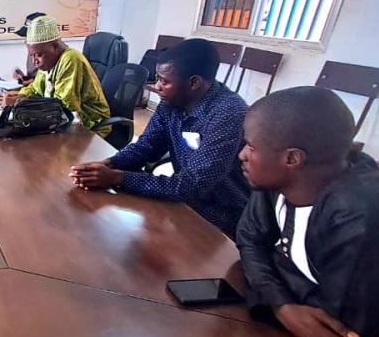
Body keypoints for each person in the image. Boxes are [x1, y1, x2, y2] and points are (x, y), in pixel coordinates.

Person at [236, 86, 379, 337]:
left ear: (292, 159)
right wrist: (282, 306)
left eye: (251, 147)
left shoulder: (367, 215)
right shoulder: (278, 180)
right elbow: (249, 239)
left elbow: (341, 329)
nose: (242, 154)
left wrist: (269, 282)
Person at [69, 38, 249, 238]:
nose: (157, 86)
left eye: (164, 81)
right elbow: (146, 146)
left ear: (194, 83)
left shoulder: (228, 113)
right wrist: (109, 164)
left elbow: (192, 185)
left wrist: (117, 177)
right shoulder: (173, 102)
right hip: (184, 203)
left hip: (221, 216)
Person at [2, 15, 111, 137]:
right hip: (62, 123)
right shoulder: (49, 62)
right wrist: (19, 96)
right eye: (32, 55)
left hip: (90, 125)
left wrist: (21, 103)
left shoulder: (71, 59)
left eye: (38, 55)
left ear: (54, 47)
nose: (34, 61)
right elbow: (35, 89)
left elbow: (64, 107)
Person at [11, 11, 46, 86]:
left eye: (29, 36)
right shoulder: (33, 52)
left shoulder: (53, 56)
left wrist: (29, 83)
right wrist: (23, 78)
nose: (26, 41)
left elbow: (49, 82)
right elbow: (34, 77)